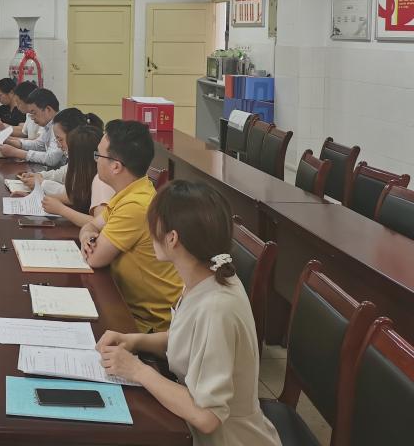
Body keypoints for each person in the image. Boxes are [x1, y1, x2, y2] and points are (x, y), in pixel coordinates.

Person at [97, 180, 282, 446]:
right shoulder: (205, 275)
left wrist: (137, 370)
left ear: (172, 238)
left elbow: (207, 417)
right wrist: (135, 341)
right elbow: (187, 339)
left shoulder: (217, 307)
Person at [77, 119, 182, 332]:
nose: (95, 160)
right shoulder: (133, 191)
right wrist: (86, 236)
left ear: (116, 166)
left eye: (98, 155)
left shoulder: (136, 205)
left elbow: (95, 258)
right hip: (126, 303)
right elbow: (90, 227)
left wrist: (89, 239)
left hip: (149, 324)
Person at [20, 117, 115, 228]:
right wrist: (33, 198)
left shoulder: (102, 181)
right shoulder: (86, 171)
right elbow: (76, 197)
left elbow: (101, 225)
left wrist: (62, 210)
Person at [0, 87, 65, 168]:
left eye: (34, 113)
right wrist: (9, 141)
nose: (32, 118)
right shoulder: (49, 124)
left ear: (48, 109)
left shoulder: (61, 125)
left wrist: (16, 152)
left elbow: (51, 159)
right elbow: (39, 145)